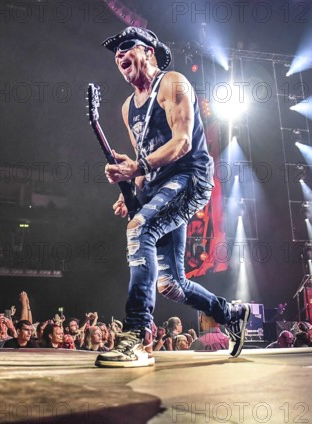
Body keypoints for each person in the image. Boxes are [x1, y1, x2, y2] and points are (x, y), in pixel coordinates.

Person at [96, 26, 250, 368]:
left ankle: (136, 334)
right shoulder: (127, 107)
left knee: (140, 230)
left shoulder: (173, 83)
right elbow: (145, 160)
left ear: (150, 51)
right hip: (160, 186)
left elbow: (181, 143)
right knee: (171, 285)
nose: (119, 55)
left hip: (190, 178)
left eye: (126, 47)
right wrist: (132, 185)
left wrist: (137, 167)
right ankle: (232, 313)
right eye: (116, 52)